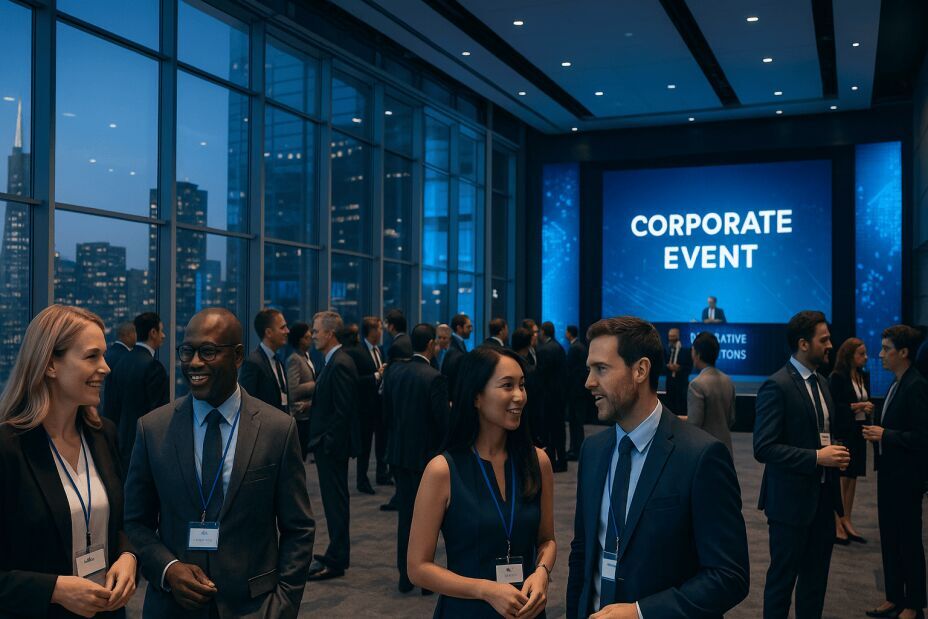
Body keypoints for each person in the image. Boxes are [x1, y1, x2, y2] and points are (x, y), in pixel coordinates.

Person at [124, 308, 314, 618]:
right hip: (172, 607)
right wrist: (168, 568)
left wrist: (283, 605)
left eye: (208, 351)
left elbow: (299, 528)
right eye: (187, 351)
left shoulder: (277, 429)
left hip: (254, 607)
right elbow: (135, 522)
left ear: (237, 356)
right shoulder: (152, 429)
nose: (195, 362)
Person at [567, 316, 749, 619]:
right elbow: (583, 553)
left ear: (640, 370)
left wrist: (641, 613)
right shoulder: (593, 451)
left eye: (601, 369)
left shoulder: (701, 456)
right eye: (589, 369)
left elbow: (729, 576)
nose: (589, 382)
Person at [0, 305, 138, 619]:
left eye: (103, 355)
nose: (106, 368)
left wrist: (129, 556)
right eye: (92, 356)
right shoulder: (8, 449)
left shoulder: (103, 435)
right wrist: (55, 589)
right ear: (50, 364)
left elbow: (120, 523)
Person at [408, 347, 556, 618]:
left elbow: (547, 540)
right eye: (507, 386)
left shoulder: (537, 462)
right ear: (476, 396)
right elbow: (417, 568)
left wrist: (542, 572)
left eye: (522, 386)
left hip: (527, 611)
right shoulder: (443, 470)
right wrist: (485, 590)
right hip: (467, 609)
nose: (519, 396)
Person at [754, 310, 848, 619]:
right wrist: (817, 457)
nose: (830, 345)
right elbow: (763, 447)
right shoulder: (776, 385)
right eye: (824, 340)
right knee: (782, 583)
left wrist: (832, 456)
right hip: (789, 506)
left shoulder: (822, 382)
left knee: (815, 584)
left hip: (822, 502)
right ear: (803, 344)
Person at [863, 325, 928, 619]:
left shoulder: (917, 385)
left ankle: (913, 604)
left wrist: (884, 435)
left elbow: (922, 437)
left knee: (909, 541)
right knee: (889, 538)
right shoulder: (896, 383)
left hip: (906, 478)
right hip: (889, 476)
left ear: (904, 353)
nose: (880, 354)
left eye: (886, 349)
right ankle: (893, 597)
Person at [383, 323, 450, 594]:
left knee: (406, 518)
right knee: (429, 520)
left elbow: (386, 414)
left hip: (398, 455)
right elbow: (443, 424)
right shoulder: (434, 377)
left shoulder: (395, 373)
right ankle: (425, 580)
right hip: (425, 459)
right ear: (431, 344)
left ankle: (404, 576)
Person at [306, 311, 360, 582]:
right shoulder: (335, 361)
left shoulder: (339, 363)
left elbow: (342, 411)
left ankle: (337, 560)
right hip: (330, 447)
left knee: (336, 504)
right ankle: (335, 554)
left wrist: (327, 444)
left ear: (330, 334)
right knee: (334, 503)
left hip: (332, 449)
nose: (313, 335)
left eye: (316, 331)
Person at [102, 311, 169, 473]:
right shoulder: (153, 367)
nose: (164, 336)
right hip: (143, 447)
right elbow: (159, 415)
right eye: (161, 330)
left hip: (119, 443)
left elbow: (111, 405)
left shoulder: (121, 362)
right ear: (152, 333)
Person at [828, 337, 873, 545]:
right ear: (849, 355)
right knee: (841, 477)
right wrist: (858, 407)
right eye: (861, 354)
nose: (865, 357)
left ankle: (847, 518)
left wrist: (865, 408)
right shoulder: (837, 377)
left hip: (858, 431)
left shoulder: (864, 376)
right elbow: (835, 408)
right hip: (843, 432)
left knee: (853, 476)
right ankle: (836, 521)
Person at [344, 318, 385, 495]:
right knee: (365, 445)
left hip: (378, 404)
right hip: (363, 407)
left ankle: (380, 474)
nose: (382, 331)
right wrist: (377, 375)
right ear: (372, 330)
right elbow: (354, 381)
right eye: (379, 328)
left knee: (379, 442)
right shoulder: (357, 351)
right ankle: (362, 479)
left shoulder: (378, 350)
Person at [685, 331, 736, 455]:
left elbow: (694, 425)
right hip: (726, 450)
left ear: (698, 354)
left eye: (692, 350)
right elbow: (731, 419)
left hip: (705, 452)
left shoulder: (696, 384)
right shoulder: (728, 381)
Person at [239, 308, 290, 413]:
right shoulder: (253, 363)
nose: (287, 331)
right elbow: (246, 402)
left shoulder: (278, 361)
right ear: (269, 333)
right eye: (283, 327)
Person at [537, 321, 568, 472]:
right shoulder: (559, 347)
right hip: (560, 396)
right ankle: (561, 460)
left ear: (544, 332)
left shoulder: (544, 350)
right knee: (559, 431)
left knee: (549, 431)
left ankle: (549, 463)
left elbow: (541, 376)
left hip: (548, 398)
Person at [285, 322, 317, 459]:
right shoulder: (294, 359)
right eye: (307, 337)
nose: (310, 339)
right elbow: (293, 390)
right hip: (300, 415)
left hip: (308, 413)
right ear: (299, 340)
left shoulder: (306, 356)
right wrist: (315, 384)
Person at [512, 327, 546, 449]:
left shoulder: (505, 366)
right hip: (526, 422)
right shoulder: (529, 370)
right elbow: (536, 404)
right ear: (528, 343)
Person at [565, 325, 592, 460]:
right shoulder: (581, 347)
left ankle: (575, 450)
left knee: (575, 423)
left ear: (569, 333)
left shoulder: (574, 348)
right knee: (577, 423)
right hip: (580, 391)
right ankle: (577, 449)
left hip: (575, 391)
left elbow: (569, 370)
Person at [662, 327, 692, 415]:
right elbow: (661, 367)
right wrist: (668, 367)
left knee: (681, 409)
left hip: (682, 386)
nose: (671, 338)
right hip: (670, 386)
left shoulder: (686, 351)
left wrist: (679, 368)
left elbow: (689, 368)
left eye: (673, 336)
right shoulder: (666, 350)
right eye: (670, 336)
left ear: (678, 336)